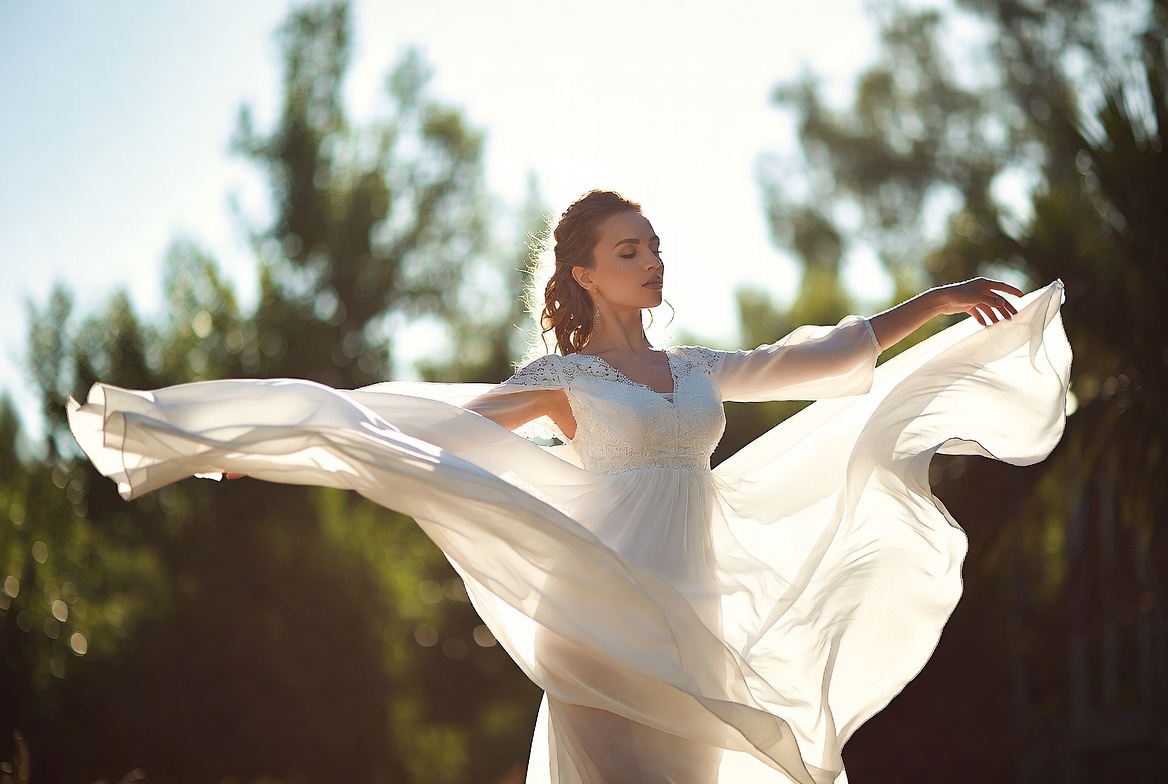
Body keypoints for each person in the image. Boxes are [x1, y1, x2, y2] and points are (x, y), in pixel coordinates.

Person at [68, 190, 1071, 783]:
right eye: (627, 250)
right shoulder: (564, 379)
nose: (650, 259)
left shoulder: (691, 370)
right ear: (584, 275)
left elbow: (810, 359)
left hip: (692, 610)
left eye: (652, 245)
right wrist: (284, 447)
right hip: (598, 612)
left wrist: (932, 303)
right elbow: (415, 433)